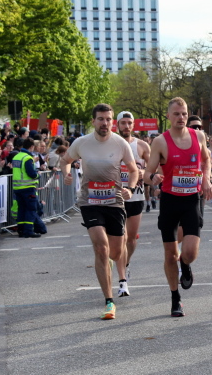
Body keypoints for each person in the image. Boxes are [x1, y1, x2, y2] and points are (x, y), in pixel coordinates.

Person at [60, 104, 138, 320]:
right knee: (101, 248)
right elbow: (65, 160)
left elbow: (134, 170)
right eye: (101, 119)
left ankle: (109, 264)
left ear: (112, 122)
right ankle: (109, 301)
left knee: (115, 253)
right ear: (93, 121)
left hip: (114, 202)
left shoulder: (120, 143)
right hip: (90, 201)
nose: (105, 123)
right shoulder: (82, 143)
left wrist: (130, 189)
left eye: (108, 119)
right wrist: (67, 174)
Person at [143, 98, 212, 317]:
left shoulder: (198, 136)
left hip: (192, 199)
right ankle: (175, 298)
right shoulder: (160, 142)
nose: (181, 117)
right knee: (170, 254)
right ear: (168, 117)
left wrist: (206, 179)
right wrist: (153, 178)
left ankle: (185, 263)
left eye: (184, 114)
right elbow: (147, 173)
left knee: (190, 252)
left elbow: (206, 160)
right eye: (176, 114)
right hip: (170, 201)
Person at [115, 111, 151, 297]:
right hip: (115, 199)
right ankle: (122, 280)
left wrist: (143, 172)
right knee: (120, 238)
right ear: (117, 125)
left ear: (133, 125)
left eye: (129, 123)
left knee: (131, 239)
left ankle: (126, 263)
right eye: (123, 123)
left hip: (136, 197)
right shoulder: (110, 144)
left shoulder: (141, 146)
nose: (126, 126)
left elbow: (154, 168)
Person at [13, 138, 48, 238]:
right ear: (32, 146)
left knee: (21, 209)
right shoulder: (28, 158)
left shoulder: (16, 156)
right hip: (27, 188)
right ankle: (28, 231)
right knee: (31, 210)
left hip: (17, 188)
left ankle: (21, 230)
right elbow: (31, 173)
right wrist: (38, 174)